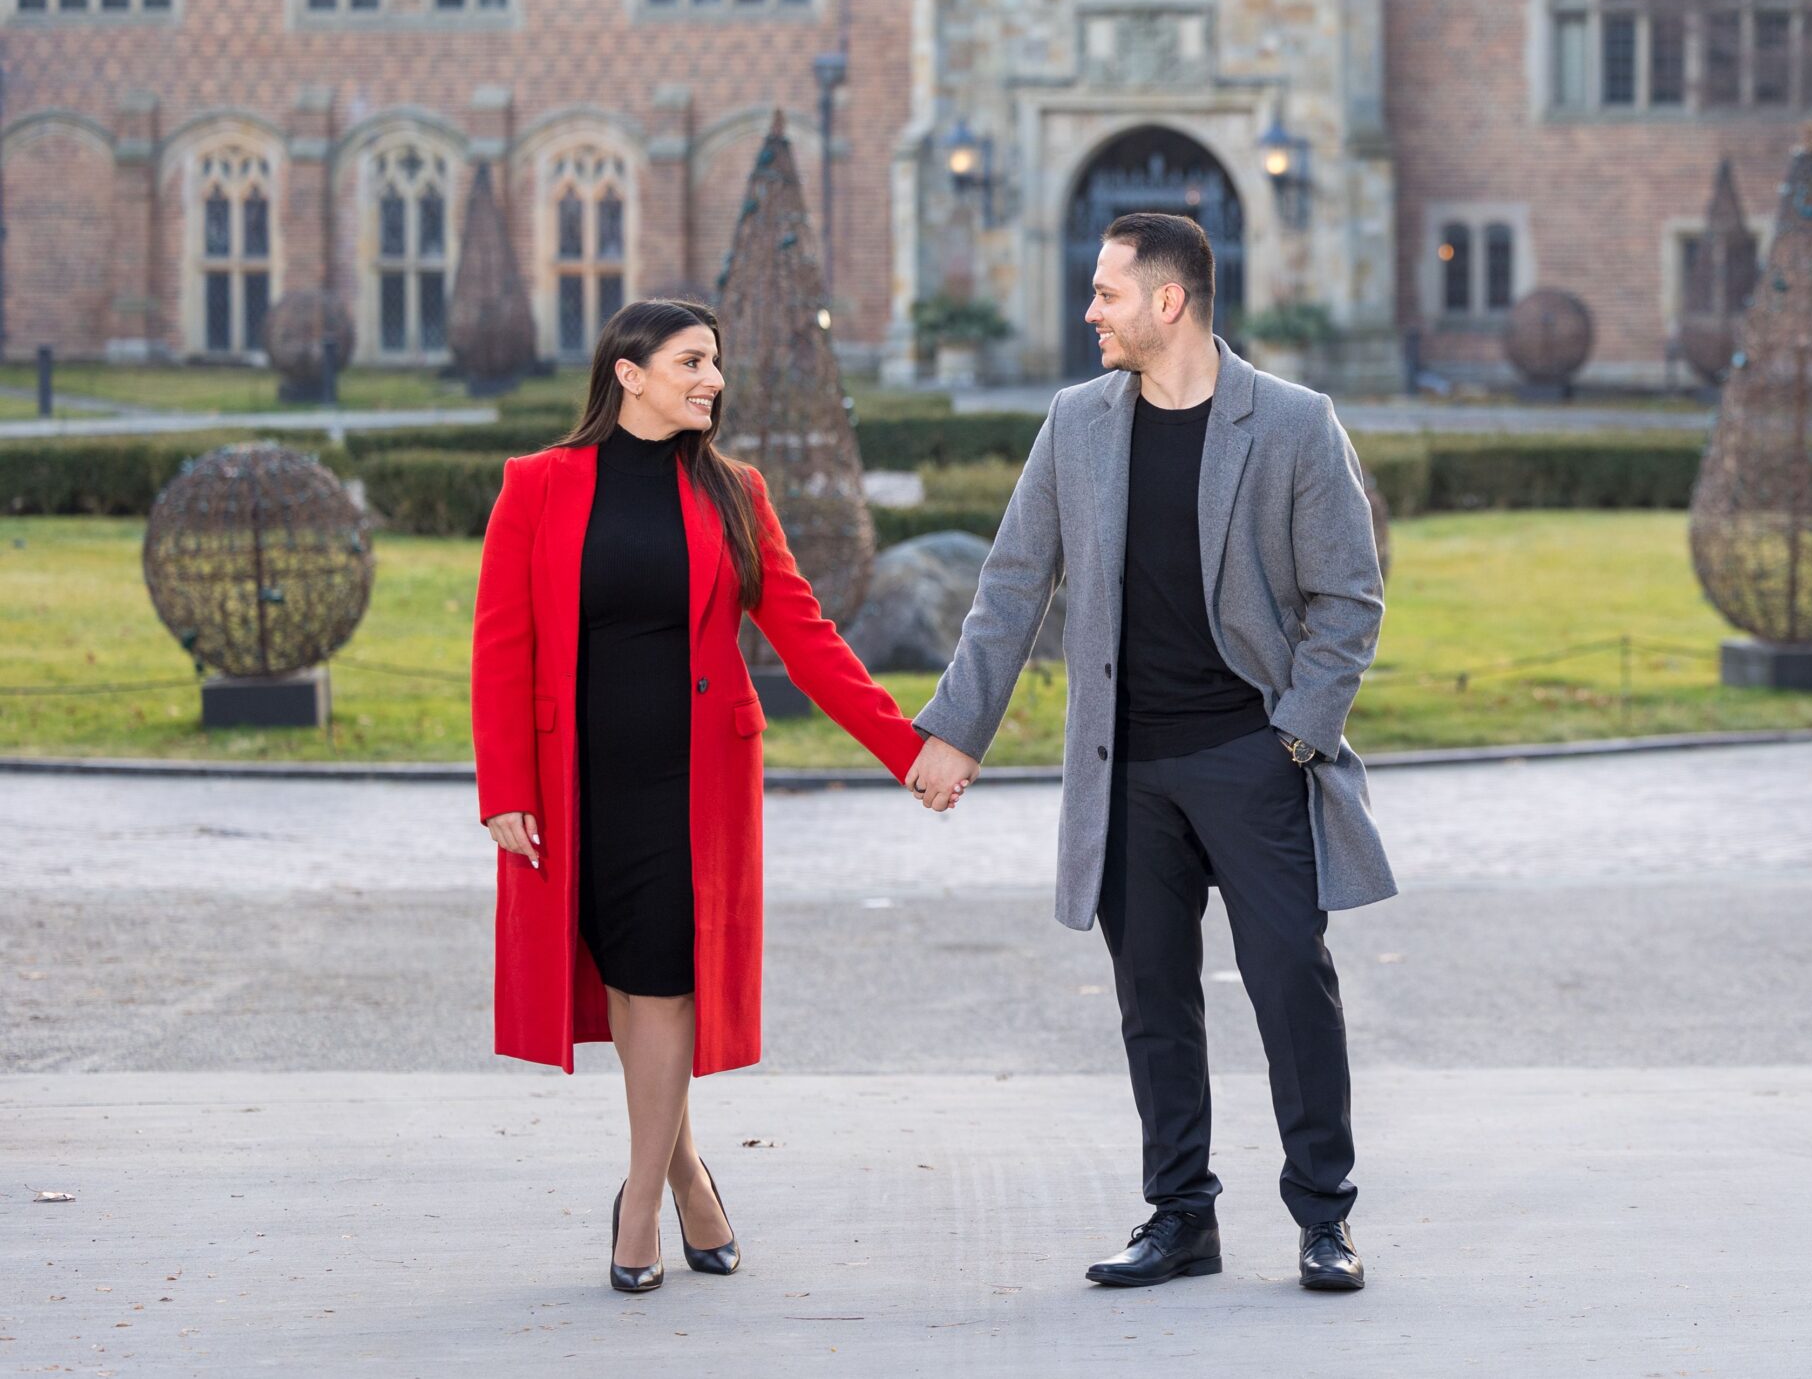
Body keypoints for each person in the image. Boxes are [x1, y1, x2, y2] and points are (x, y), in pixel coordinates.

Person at [905, 212, 1393, 1292]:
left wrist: (1293, 740)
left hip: (1252, 760)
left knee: (1289, 991)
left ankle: (1325, 1218)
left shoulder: (1296, 424)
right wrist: (954, 730)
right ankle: (1182, 1218)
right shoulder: (1076, 423)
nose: (1089, 312)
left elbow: (1347, 601)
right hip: (1124, 772)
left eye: (1106, 293)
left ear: (1166, 302)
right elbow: (1012, 584)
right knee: (1153, 1003)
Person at [472, 298, 934, 1293]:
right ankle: (688, 1177)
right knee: (630, 981)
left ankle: (636, 1207)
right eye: (691, 361)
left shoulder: (734, 492)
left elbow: (807, 638)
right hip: (576, 784)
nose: (711, 379)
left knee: (664, 980)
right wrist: (505, 784)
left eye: (715, 362)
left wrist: (908, 750)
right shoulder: (538, 487)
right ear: (627, 373)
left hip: (693, 790)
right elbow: (501, 645)